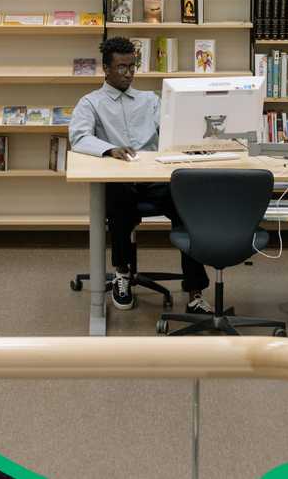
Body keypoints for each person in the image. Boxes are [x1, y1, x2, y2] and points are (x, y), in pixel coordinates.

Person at [68, 36, 212, 314]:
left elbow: (172, 131)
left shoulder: (150, 100)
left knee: (188, 205)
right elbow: (79, 137)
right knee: (120, 204)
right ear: (106, 69)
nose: (129, 73)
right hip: (121, 184)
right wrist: (109, 149)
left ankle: (195, 290)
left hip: (155, 180)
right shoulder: (91, 103)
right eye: (121, 67)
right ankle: (122, 273)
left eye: (132, 67)